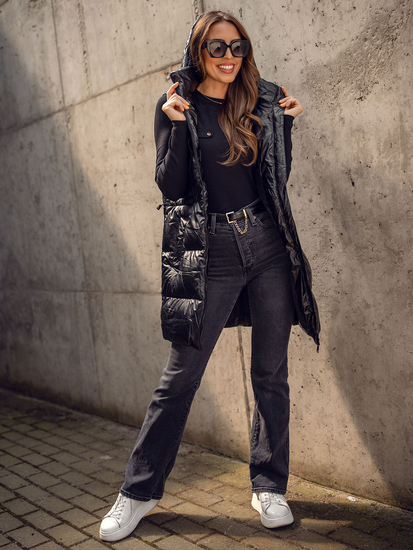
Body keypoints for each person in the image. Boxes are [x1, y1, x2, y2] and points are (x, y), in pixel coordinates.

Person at [99, 10, 320, 542]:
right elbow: (171, 187)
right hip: (209, 250)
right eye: (217, 47)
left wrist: (285, 124)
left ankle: (269, 485)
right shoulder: (177, 104)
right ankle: (138, 492)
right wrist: (176, 125)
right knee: (180, 379)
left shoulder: (259, 101)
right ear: (198, 51)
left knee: (270, 373)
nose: (228, 58)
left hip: (266, 243)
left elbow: (275, 180)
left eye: (237, 47)